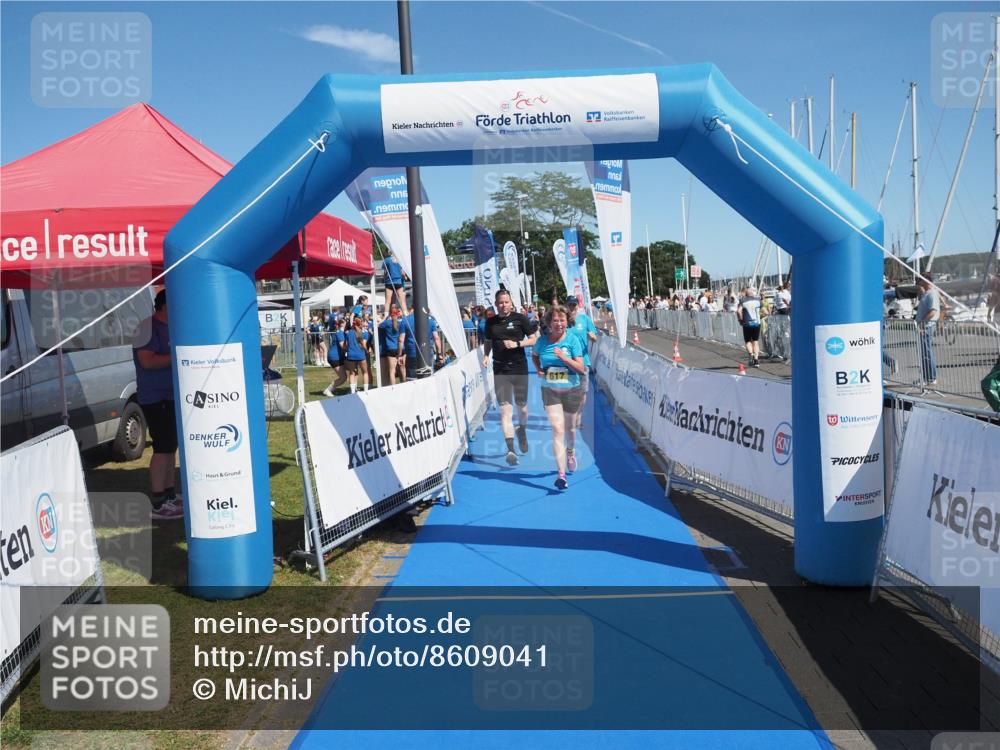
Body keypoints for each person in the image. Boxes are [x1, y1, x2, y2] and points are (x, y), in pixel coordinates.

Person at [132, 289, 183, 520]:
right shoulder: (146, 328)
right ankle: (159, 502)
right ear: (163, 306)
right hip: (155, 397)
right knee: (162, 447)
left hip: (171, 395)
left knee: (170, 446)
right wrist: (177, 356)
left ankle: (170, 495)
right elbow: (147, 361)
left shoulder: (172, 327)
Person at [532, 305, 587, 490]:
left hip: (572, 389)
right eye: (555, 320)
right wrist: (539, 369)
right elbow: (534, 355)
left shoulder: (573, 340)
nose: (559, 324)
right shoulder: (541, 342)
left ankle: (570, 451)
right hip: (550, 389)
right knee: (557, 430)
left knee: (570, 430)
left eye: (562, 320)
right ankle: (561, 475)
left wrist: (564, 358)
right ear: (549, 323)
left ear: (567, 322)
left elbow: (581, 369)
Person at [482, 289, 538, 466]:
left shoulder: (520, 319)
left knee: (522, 408)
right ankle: (511, 450)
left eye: (506, 302)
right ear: (496, 303)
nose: (503, 305)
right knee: (505, 411)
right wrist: (486, 355)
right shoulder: (490, 322)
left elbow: (534, 339)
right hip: (500, 370)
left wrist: (517, 344)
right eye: (500, 302)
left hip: (519, 368)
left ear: (511, 303)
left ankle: (521, 430)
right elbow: (488, 341)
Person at [567, 296, 597, 428]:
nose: (572, 307)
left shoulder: (585, 319)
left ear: (577, 305)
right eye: (570, 305)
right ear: (567, 306)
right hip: (567, 361)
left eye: (574, 305)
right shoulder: (563, 320)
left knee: (582, 392)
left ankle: (578, 418)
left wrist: (592, 337)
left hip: (583, 361)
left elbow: (594, 337)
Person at [915, 275, 940, 384]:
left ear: (925, 281)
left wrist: (922, 324)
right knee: (924, 352)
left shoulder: (932, 293)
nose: (918, 282)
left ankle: (931, 377)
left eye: (920, 280)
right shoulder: (926, 293)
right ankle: (926, 377)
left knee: (927, 352)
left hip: (926, 326)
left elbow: (933, 311)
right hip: (924, 326)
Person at [378, 306, 406, 386]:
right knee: (402, 369)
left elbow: (377, 325)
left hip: (391, 348)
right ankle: (404, 384)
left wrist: (385, 318)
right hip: (401, 348)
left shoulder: (387, 323)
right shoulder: (402, 323)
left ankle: (393, 388)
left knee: (392, 371)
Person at [323, 318, 349, 397]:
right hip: (335, 357)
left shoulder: (341, 332)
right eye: (345, 323)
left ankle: (353, 388)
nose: (347, 324)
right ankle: (328, 390)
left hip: (339, 356)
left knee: (351, 370)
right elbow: (342, 346)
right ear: (341, 324)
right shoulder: (340, 333)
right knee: (343, 377)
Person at [343, 316, 370, 392]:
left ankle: (352, 391)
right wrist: (367, 351)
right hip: (360, 354)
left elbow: (346, 345)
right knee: (365, 372)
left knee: (352, 373)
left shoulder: (348, 333)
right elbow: (364, 345)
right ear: (360, 324)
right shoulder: (364, 333)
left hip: (351, 355)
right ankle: (366, 391)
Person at [738, 286, 763, 367]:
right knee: (755, 342)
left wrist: (741, 320)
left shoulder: (742, 301)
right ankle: (756, 361)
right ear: (752, 293)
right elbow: (765, 311)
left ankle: (751, 354)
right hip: (757, 323)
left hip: (747, 324)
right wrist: (761, 316)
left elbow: (738, 311)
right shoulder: (758, 300)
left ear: (746, 293)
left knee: (748, 341)